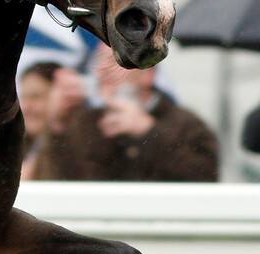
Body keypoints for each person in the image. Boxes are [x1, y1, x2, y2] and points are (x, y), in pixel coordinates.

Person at [31, 44, 219, 181]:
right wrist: (57, 124)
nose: (105, 70)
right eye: (100, 62)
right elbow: (53, 179)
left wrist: (147, 132)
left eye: (117, 60)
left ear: (148, 73)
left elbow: (205, 177)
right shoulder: (83, 123)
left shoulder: (186, 124)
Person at [18, 61, 63, 180]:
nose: (26, 107)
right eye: (23, 97)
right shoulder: (13, 147)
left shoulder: (75, 146)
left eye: (36, 97)